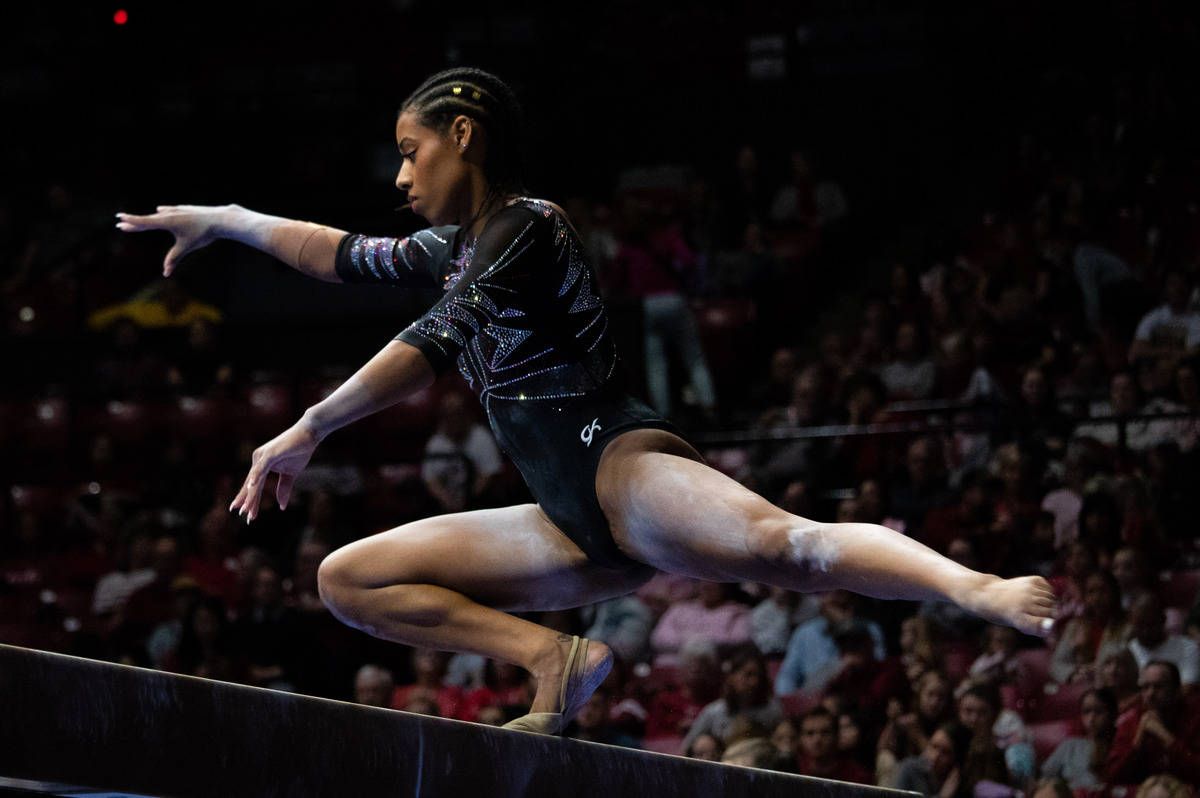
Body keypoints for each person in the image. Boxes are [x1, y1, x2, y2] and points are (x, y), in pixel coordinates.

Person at [117, 66, 1057, 737]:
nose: (400, 177)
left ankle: (970, 586)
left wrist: (307, 429)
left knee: (788, 547)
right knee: (348, 581)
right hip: (565, 524)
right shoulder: (453, 248)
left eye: (411, 152)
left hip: (621, 472)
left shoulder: (528, 226)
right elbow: (334, 253)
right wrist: (230, 223)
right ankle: (552, 660)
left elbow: (432, 345)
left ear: (465, 135)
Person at [1105, 661, 1200, 785]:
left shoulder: (1195, 717)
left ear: (1176, 690)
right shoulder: (1131, 720)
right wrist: (1138, 740)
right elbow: (1114, 777)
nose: (1150, 694)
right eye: (1145, 687)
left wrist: (1166, 738)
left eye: (1159, 686)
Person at [1040, 687, 1117, 791]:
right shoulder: (1070, 746)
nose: (1091, 719)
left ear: (1112, 714)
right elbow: (1044, 778)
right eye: (1086, 712)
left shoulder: (1118, 747)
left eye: (1099, 712)